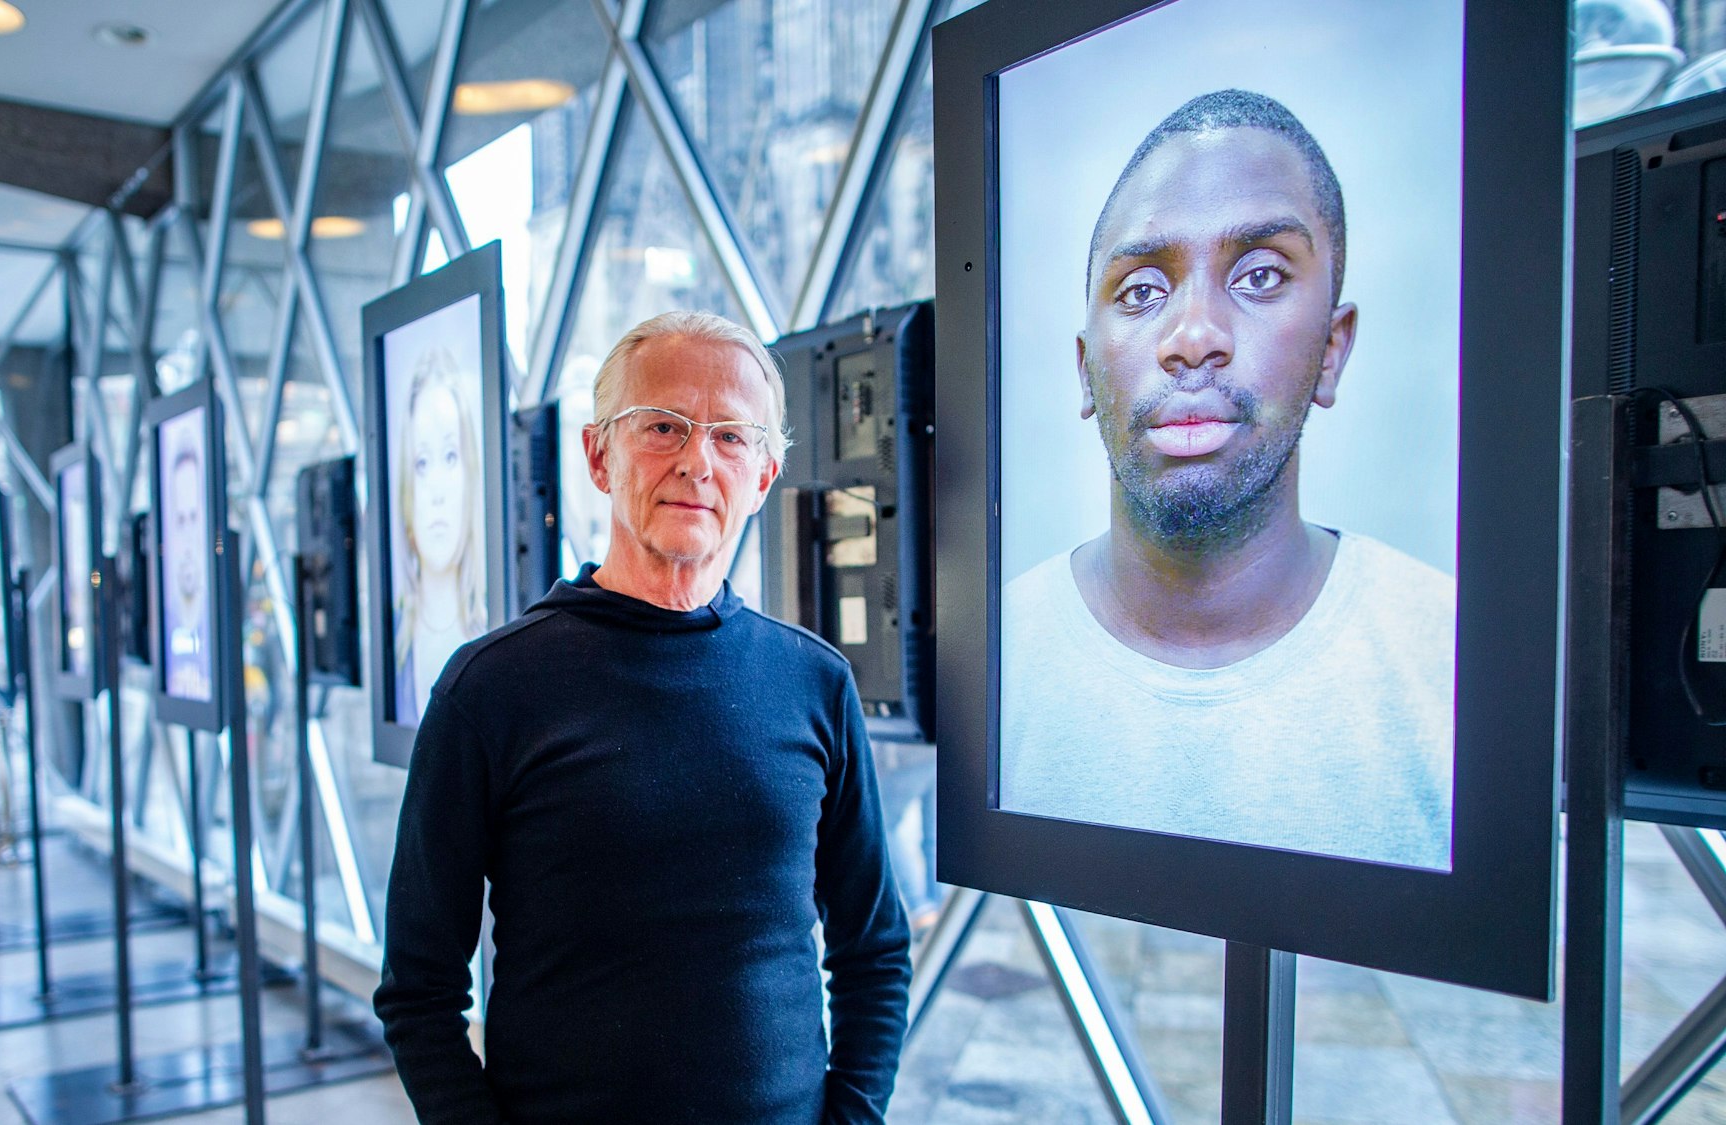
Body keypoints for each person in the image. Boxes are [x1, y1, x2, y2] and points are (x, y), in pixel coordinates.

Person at [375, 311, 911, 1123]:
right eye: (663, 426)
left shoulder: (815, 684)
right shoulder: (490, 689)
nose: (698, 460)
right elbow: (419, 989)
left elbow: (873, 953)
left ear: (764, 476)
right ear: (599, 453)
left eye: (732, 436)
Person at [1000, 89, 1455, 871]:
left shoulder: (1453, 661)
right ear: (1085, 371)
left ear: (1333, 349)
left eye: (1261, 276)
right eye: (1142, 291)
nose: (1195, 338)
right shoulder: (990, 665)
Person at [392, 348, 487, 724]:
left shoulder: (498, 637)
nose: (436, 490)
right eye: (421, 463)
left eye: (450, 457)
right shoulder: (396, 645)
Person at [162, 431, 212, 701]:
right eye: (181, 518)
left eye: (194, 516)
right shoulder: (167, 615)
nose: (189, 535)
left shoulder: (211, 612)